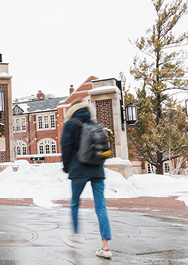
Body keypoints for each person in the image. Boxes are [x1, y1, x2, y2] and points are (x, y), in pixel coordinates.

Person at [60, 99, 112, 259]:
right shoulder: (94, 123)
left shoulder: (70, 124)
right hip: (97, 169)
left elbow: (66, 148)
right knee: (100, 206)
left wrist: (67, 167)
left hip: (79, 169)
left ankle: (75, 237)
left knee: (75, 203)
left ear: (72, 109)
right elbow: (105, 148)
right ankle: (105, 246)